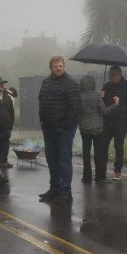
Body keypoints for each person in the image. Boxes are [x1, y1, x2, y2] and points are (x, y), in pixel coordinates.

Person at [38, 56, 81, 204]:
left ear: (64, 67)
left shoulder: (71, 84)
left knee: (63, 161)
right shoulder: (46, 82)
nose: (59, 68)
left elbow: (75, 108)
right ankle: (54, 189)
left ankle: (65, 192)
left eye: (61, 66)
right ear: (51, 67)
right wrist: (43, 121)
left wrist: (65, 126)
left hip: (64, 130)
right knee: (52, 160)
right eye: (56, 66)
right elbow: (41, 101)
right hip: (48, 128)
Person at [97, 66, 127, 181]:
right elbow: (101, 105)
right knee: (103, 145)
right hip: (107, 121)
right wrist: (100, 98)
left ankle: (118, 170)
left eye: (114, 75)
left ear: (119, 75)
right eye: (110, 75)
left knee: (118, 146)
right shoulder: (107, 86)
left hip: (122, 122)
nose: (112, 77)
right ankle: (102, 169)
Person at [78, 75, 118, 183]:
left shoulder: (78, 97)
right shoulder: (96, 96)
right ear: (92, 84)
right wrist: (115, 104)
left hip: (84, 128)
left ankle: (86, 177)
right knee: (98, 154)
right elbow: (104, 111)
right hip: (97, 128)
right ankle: (100, 177)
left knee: (86, 153)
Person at [1, 86, 19, 168]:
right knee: (5, 144)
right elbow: (11, 112)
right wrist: (11, 125)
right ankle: (4, 161)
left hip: (0, 124)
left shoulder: (1, 96)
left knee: (0, 143)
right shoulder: (10, 98)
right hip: (7, 124)